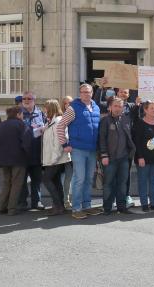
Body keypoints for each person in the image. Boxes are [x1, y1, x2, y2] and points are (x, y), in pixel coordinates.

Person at [57, 83, 101, 219]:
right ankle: (76, 208)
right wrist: (64, 144)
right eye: (83, 92)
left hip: (92, 149)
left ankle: (87, 206)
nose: (86, 94)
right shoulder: (72, 108)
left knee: (88, 179)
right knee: (79, 178)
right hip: (78, 149)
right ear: (80, 93)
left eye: (88, 92)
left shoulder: (96, 107)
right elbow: (60, 125)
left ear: (92, 93)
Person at [99, 97, 135, 215]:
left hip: (124, 158)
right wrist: (104, 155)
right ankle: (107, 208)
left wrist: (131, 153)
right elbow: (101, 140)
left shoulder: (126, 119)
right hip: (109, 158)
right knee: (108, 183)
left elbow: (130, 137)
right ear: (110, 107)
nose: (118, 108)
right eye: (116, 106)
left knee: (122, 183)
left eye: (120, 106)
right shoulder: (105, 121)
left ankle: (121, 206)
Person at [0, 106, 31, 216]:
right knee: (16, 184)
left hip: (4, 158)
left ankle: (2, 206)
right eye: (22, 114)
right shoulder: (22, 125)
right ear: (18, 114)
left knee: (7, 183)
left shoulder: (1, 125)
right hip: (18, 159)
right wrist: (27, 155)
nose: (23, 116)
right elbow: (27, 143)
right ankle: (12, 208)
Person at [135, 100, 154, 212]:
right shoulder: (139, 122)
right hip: (143, 157)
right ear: (145, 109)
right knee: (143, 181)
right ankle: (144, 204)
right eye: (151, 108)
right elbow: (137, 142)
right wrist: (140, 157)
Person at [41, 99, 71, 216]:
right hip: (53, 158)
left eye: (46, 108)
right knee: (56, 181)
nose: (44, 110)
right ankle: (59, 206)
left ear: (51, 109)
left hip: (55, 159)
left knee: (46, 179)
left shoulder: (58, 121)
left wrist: (54, 159)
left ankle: (58, 205)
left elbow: (59, 142)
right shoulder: (51, 122)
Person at [18, 91, 46, 211]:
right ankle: (22, 202)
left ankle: (37, 202)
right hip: (22, 153)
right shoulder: (17, 113)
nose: (26, 100)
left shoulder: (41, 114)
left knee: (36, 179)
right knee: (22, 180)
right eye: (24, 98)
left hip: (37, 152)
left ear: (34, 100)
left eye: (29, 98)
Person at [60, 96, 74, 209]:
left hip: (76, 149)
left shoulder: (75, 116)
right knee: (67, 177)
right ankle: (66, 199)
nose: (68, 105)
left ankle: (74, 198)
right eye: (65, 103)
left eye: (70, 103)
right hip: (66, 151)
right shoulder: (61, 118)